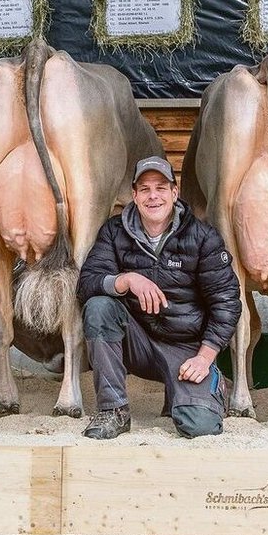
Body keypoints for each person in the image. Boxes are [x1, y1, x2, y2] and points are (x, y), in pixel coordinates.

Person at [76, 156, 241, 440]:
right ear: (135, 196)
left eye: (161, 188)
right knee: (99, 306)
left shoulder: (202, 237)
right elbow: (87, 284)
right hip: (136, 341)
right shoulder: (114, 232)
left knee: (200, 426)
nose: (153, 196)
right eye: (145, 189)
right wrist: (126, 280)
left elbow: (227, 302)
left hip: (185, 348)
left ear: (175, 194)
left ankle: (210, 387)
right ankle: (113, 410)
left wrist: (204, 357)